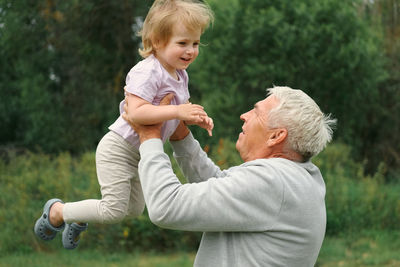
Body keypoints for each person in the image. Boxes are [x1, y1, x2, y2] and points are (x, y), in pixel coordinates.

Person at [34, 0, 214, 249]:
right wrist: (177, 110)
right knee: (113, 211)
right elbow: (136, 113)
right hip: (118, 149)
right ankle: (58, 212)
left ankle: (76, 217)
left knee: (133, 209)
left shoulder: (179, 74)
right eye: (182, 43)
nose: (191, 50)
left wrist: (195, 116)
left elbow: (176, 108)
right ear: (157, 40)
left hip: (140, 154)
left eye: (195, 43)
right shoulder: (147, 71)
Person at [122, 86, 336, 267]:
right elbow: (221, 189)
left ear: (276, 136)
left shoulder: (272, 180)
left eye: (255, 111)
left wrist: (149, 137)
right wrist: (180, 135)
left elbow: (166, 206)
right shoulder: (299, 176)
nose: (245, 115)